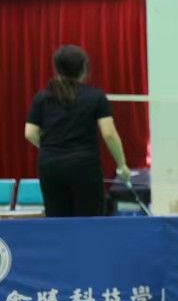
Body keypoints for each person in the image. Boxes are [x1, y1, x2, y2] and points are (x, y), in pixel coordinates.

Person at [24, 45, 132, 216]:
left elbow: (29, 133)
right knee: (89, 220)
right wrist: (122, 164)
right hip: (84, 167)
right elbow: (109, 134)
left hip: (50, 166)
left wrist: (50, 148)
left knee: (57, 219)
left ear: (57, 68)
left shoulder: (42, 97)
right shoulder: (96, 97)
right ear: (83, 68)